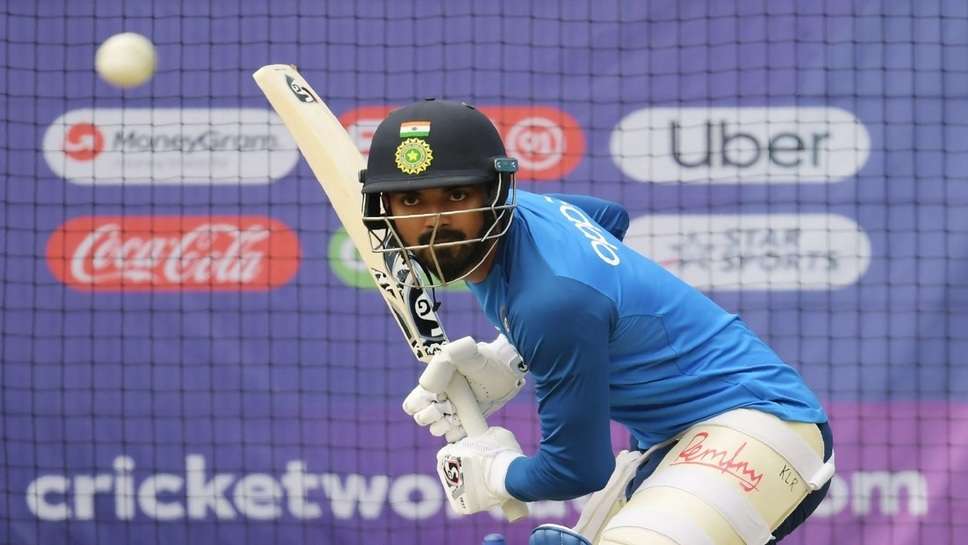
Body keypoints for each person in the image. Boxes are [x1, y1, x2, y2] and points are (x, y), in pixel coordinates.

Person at [358, 98, 835, 545]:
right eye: (412, 201)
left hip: (767, 428)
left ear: (496, 191)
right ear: (387, 210)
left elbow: (577, 470)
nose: (435, 223)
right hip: (667, 445)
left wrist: (496, 472)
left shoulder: (550, 303)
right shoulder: (533, 215)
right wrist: (512, 354)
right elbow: (610, 217)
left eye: (457, 194)